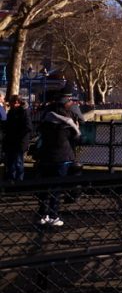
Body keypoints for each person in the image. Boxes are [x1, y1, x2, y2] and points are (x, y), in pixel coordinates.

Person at [35, 95, 81, 227]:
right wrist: (76, 127)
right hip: (62, 158)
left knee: (44, 187)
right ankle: (54, 215)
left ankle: (43, 215)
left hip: (45, 157)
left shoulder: (45, 123)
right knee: (56, 188)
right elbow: (77, 138)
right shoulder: (67, 126)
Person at [2, 96, 31, 182]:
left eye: (11, 102)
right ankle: (12, 179)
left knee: (18, 162)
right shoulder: (13, 111)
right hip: (13, 140)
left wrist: (18, 135)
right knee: (12, 162)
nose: (9, 104)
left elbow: (28, 127)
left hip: (18, 141)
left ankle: (18, 181)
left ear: (17, 103)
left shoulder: (23, 112)